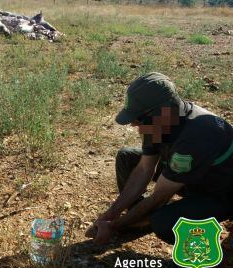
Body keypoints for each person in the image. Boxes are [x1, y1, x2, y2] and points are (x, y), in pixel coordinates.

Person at [86, 72, 233, 245]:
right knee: (127, 157)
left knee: (164, 222)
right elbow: (144, 169)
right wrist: (112, 213)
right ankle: (140, 221)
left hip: (220, 194)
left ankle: (202, 243)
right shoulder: (160, 121)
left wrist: (115, 226)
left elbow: (159, 197)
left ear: (163, 111)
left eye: (138, 117)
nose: (134, 124)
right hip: (193, 179)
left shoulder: (196, 136)